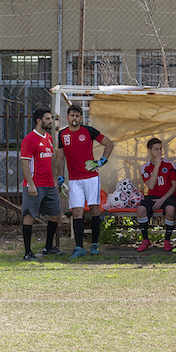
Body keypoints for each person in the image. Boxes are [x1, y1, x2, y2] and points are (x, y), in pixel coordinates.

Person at [56, 104, 114, 260]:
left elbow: (109, 143)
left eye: (77, 115)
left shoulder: (89, 131)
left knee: (95, 210)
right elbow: (60, 158)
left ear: (81, 118)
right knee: (77, 213)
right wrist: (60, 178)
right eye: (72, 115)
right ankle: (79, 247)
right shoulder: (62, 135)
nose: (74, 118)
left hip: (91, 178)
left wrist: (101, 161)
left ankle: (94, 244)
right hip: (74, 181)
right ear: (67, 117)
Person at [19, 108, 63, 261]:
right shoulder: (29, 139)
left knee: (56, 214)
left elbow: (50, 160)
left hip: (49, 184)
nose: (51, 121)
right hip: (34, 185)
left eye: (51, 119)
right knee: (30, 216)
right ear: (39, 120)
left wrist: (54, 180)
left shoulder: (49, 137)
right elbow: (24, 163)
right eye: (48, 119)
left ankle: (48, 247)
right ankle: (27, 252)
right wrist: (30, 184)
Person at [135, 138, 176, 252]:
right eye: (156, 149)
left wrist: (162, 200)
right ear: (149, 151)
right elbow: (150, 186)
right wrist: (157, 166)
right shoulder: (145, 167)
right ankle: (145, 240)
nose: (159, 152)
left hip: (168, 196)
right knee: (140, 210)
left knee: (170, 209)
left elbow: (174, 186)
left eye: (160, 149)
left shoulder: (170, 164)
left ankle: (167, 240)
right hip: (153, 195)